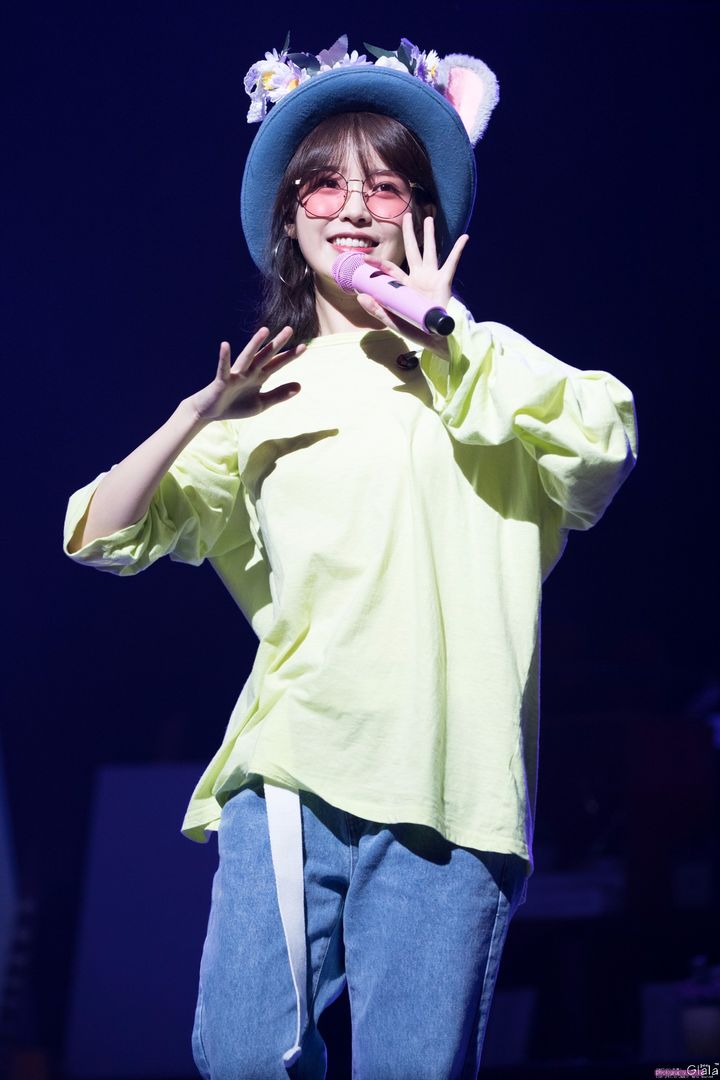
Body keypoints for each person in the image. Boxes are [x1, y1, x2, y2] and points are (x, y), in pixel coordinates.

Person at [63, 35, 638, 1080]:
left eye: (386, 184)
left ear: (422, 213)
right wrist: (196, 415)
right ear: (289, 217)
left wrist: (447, 334)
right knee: (245, 1057)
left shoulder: (482, 363)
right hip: (296, 764)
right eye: (323, 184)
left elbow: (603, 446)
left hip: (457, 781)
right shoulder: (260, 399)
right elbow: (102, 535)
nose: (355, 208)